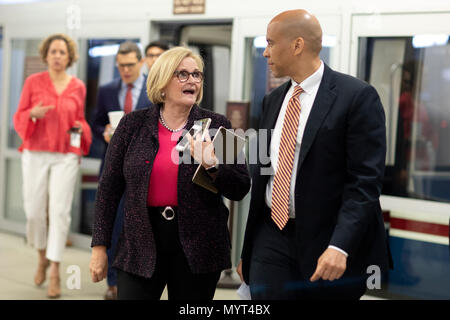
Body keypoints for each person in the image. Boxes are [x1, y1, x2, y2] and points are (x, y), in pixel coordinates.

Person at [237, 9, 390, 300]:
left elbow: (364, 182)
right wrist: (249, 251)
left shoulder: (356, 97)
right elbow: (262, 169)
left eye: (270, 43)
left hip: (327, 241)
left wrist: (340, 246)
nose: (265, 53)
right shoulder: (272, 100)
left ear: (297, 45)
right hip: (272, 234)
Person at [89, 46, 251, 300]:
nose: (193, 81)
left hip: (199, 248)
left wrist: (213, 165)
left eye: (197, 75)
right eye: (183, 74)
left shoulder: (218, 125)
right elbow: (108, 189)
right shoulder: (132, 125)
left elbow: (241, 186)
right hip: (139, 242)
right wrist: (99, 247)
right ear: (162, 81)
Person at [13, 33, 92, 299]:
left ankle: (55, 269)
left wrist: (82, 129)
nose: (57, 56)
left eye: (62, 52)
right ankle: (41, 256)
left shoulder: (78, 86)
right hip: (35, 152)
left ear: (70, 57)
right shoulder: (33, 82)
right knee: (34, 210)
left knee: (59, 212)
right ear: (46, 55)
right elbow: (19, 115)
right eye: (53, 51)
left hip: (65, 154)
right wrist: (31, 115)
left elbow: (80, 118)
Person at [91, 41, 155, 300]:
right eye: (121, 66)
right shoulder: (107, 90)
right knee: (114, 223)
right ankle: (114, 282)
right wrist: (104, 133)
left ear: (141, 63)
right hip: (113, 164)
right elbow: (95, 122)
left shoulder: (154, 89)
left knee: (138, 224)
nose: (125, 70)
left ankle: (142, 275)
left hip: (145, 167)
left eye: (130, 65)